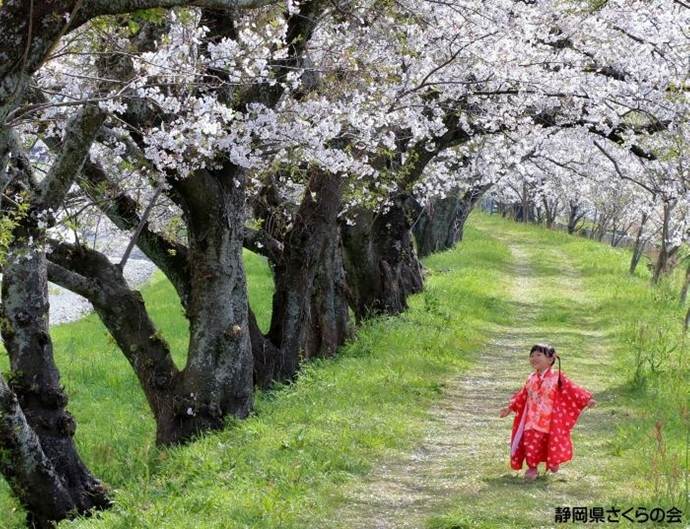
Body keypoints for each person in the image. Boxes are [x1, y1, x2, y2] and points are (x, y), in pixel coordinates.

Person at [499, 343, 597, 480]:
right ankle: (532, 467)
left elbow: (572, 389)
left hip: (550, 420)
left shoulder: (557, 377)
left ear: (550, 360)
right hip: (532, 420)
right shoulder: (531, 378)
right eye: (531, 355)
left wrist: (586, 400)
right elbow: (522, 395)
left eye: (538, 355)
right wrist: (509, 408)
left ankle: (553, 461)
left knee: (551, 442)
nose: (534, 358)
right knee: (530, 443)